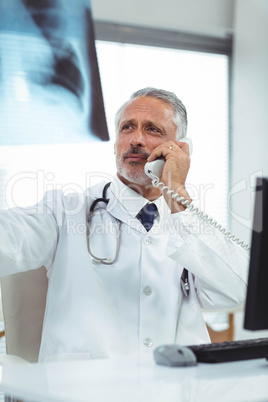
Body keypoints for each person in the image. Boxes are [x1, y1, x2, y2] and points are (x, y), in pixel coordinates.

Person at [0, 87, 248, 363]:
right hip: (86, 390)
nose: (136, 139)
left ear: (179, 149)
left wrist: (177, 193)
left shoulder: (187, 224)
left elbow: (234, 291)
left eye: (153, 129)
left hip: (175, 389)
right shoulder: (64, 211)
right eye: (127, 127)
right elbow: (7, 240)